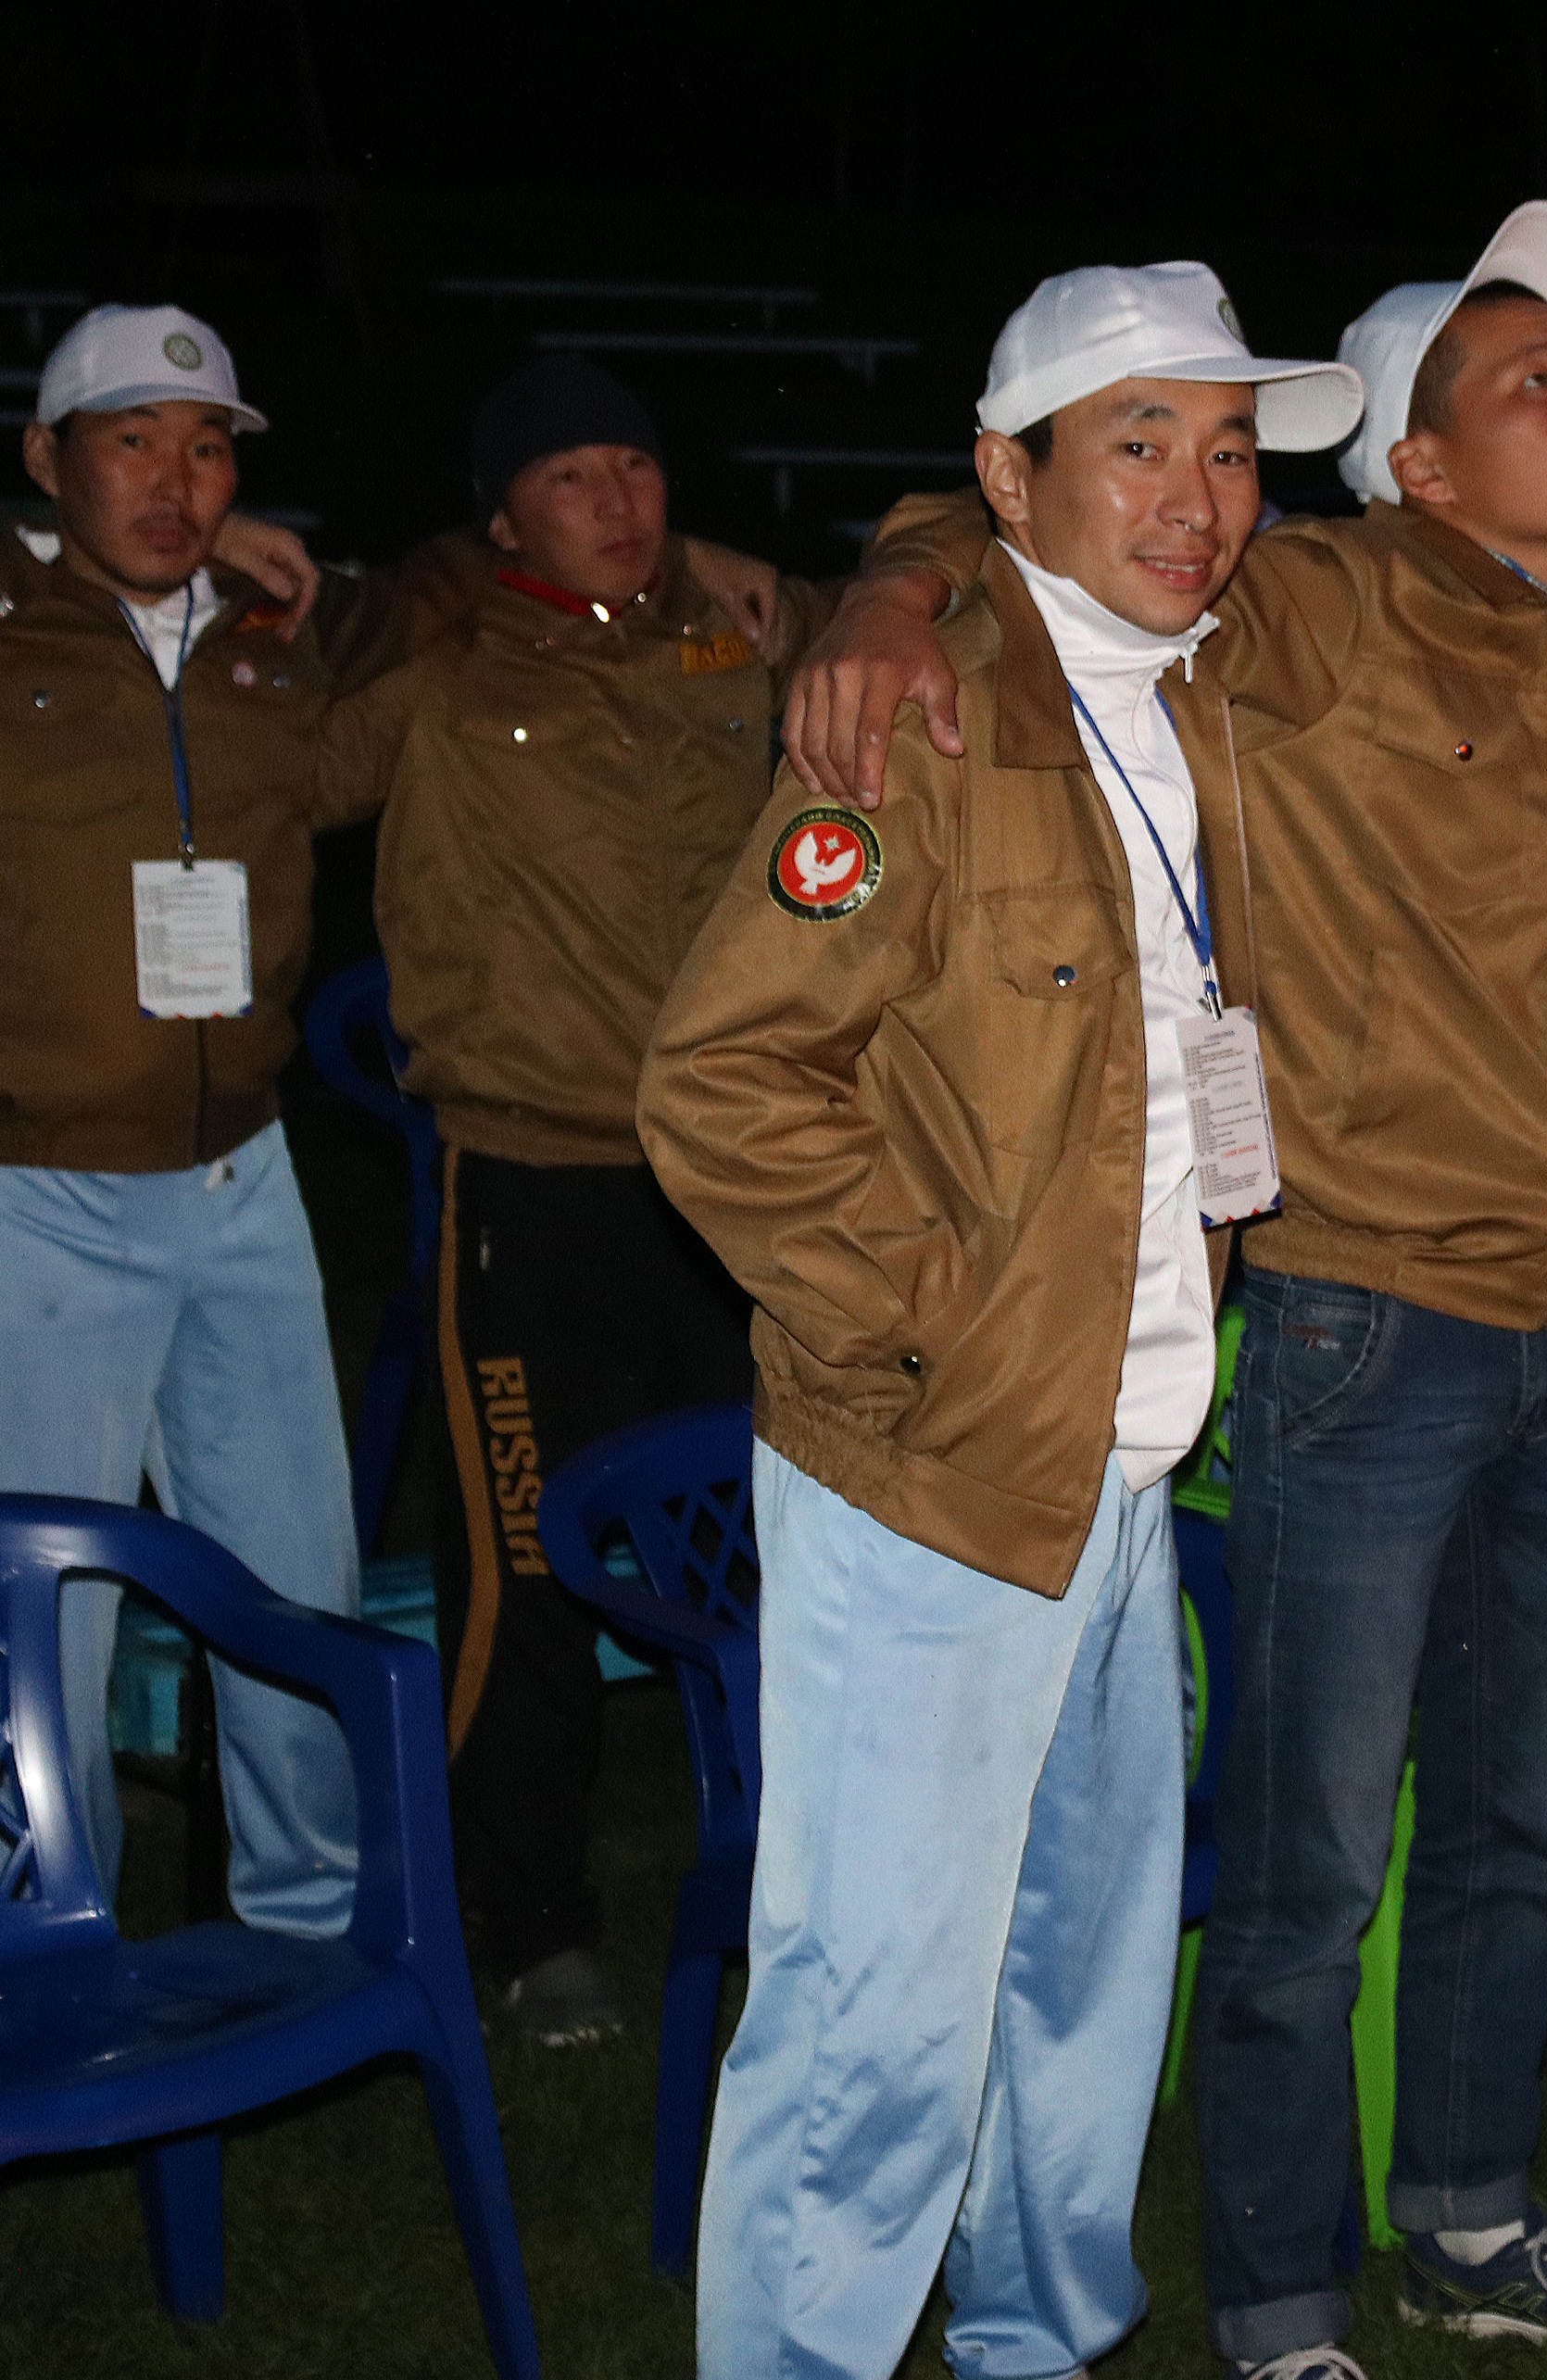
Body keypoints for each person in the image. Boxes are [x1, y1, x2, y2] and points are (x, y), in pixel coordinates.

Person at [787, 205, 1547, 2371]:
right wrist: (888, 584)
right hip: (1366, 1318)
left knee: (1523, 1831)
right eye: (1534, 385)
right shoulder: (1317, 606)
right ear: (1415, 466)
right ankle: (1284, 2291)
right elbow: (1025, 523)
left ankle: (1470, 2212)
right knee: (1309, 1868)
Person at [636, 262, 1363, 2380]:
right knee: (875, 2015)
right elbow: (718, 1083)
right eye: (1137, 444)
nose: (1199, 498)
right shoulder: (926, 719)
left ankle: (1038, 2347)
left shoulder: (1205, 685)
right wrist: (940, 1325)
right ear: (1012, 477)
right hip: (941, 1475)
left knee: (1079, 1993)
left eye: (1228, 448)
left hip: (1127, 1460)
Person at [316, 357, 823, 2044]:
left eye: (636, 465)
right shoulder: (443, 671)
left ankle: (790, 1885)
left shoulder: (737, 638)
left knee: (769, 1548)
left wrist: (786, 582)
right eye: (570, 477)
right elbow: (283, 757)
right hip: (528, 1188)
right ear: (500, 515)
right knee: (520, 1562)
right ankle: (529, 1920)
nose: (618, 501)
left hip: (727, 1185)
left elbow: (925, 619)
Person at [1, 302, 373, 1938]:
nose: (174, 480)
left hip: (245, 1179)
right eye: (132, 442)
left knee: (298, 1582)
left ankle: (314, 1926)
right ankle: (41, 1942)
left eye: (206, 448)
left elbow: (470, 606)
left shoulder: (271, 643)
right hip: (41, 1189)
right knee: (38, 1610)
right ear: (47, 457)